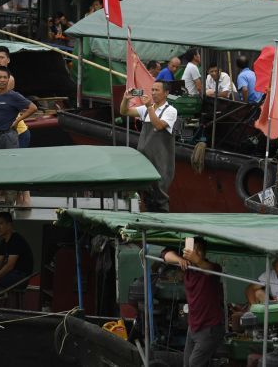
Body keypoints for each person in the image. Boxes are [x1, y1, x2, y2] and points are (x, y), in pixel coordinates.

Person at [162, 237, 225, 367]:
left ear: (202, 253)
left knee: (194, 364)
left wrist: (197, 259)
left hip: (210, 328)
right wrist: (180, 259)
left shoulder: (212, 268)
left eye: (197, 250)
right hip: (193, 327)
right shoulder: (187, 267)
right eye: (190, 249)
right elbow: (165, 254)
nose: (192, 252)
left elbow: (210, 269)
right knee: (187, 364)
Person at [120, 80, 178, 212]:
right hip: (144, 162)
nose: (153, 93)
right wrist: (125, 99)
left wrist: (149, 108)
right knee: (145, 195)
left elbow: (158, 125)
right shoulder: (146, 109)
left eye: (157, 90)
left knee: (159, 196)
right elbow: (124, 111)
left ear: (166, 93)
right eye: (152, 90)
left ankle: (161, 225)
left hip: (160, 162)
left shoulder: (171, 111)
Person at [0, 212, 33, 301]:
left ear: (9, 225)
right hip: (10, 274)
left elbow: (9, 266)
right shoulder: (3, 242)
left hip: (20, 277)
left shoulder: (16, 240)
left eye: (0, 224)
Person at [0, 67, 36, 150]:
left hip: (9, 136)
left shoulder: (14, 96)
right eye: (0, 77)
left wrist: (17, 120)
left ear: (8, 79)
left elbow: (33, 108)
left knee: (11, 160)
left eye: (5, 77)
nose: (2, 80)